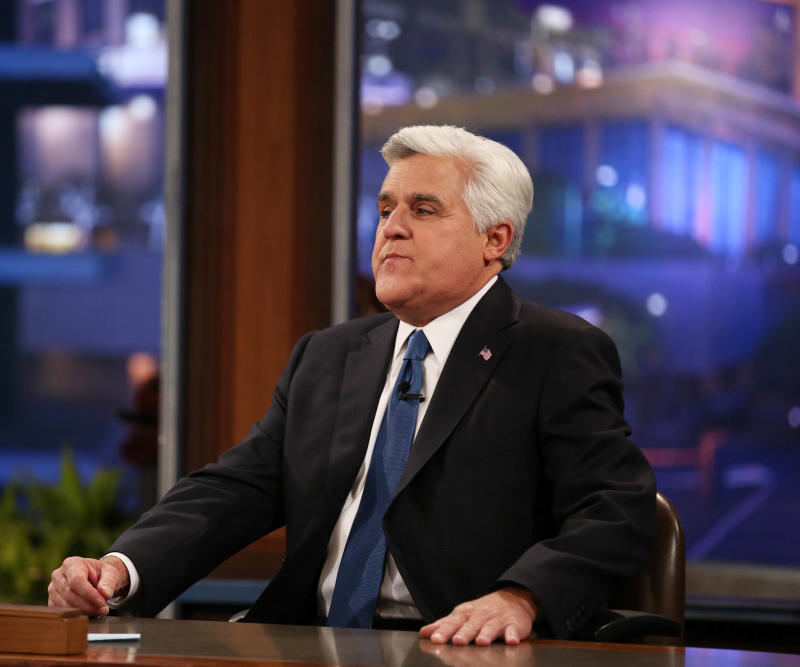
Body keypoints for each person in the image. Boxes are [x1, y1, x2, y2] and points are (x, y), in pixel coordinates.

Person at [48, 125, 656, 646]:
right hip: (310, 642)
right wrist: (120, 568)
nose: (391, 228)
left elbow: (614, 508)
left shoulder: (553, 351)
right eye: (386, 208)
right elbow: (237, 488)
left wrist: (521, 598)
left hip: (456, 645)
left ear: (494, 241)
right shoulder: (329, 355)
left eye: (423, 209)